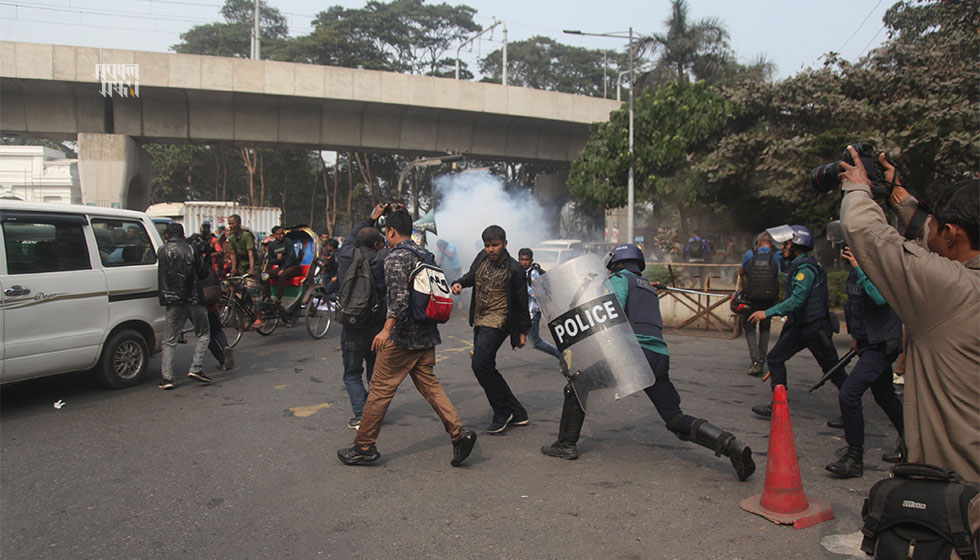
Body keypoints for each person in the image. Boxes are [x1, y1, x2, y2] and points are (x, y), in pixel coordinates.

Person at [540, 244, 755, 481]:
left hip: (632, 354)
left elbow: (613, 312)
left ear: (617, 263)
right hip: (658, 356)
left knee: (576, 387)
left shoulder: (621, 279)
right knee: (675, 419)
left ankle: (565, 444)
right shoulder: (648, 288)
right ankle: (731, 446)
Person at [838, 146, 979, 482]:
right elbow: (932, 237)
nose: (925, 233)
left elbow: (867, 233)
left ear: (950, 234)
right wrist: (897, 192)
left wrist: (858, 187)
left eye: (935, 227)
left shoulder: (952, 289)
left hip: (960, 493)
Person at [337, 208, 476, 467]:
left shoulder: (395, 258)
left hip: (402, 338)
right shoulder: (425, 254)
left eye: (387, 233)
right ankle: (459, 434)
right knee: (431, 387)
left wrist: (386, 329)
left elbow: (399, 301)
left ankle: (364, 446)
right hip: (426, 334)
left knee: (379, 390)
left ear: (390, 231)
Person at [747, 225, 843, 419]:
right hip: (801, 327)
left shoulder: (806, 269)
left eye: (787, 244)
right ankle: (778, 403)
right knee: (775, 359)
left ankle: (851, 409)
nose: (783, 248)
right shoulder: (798, 266)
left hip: (815, 328)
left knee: (833, 370)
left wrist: (768, 313)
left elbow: (797, 300)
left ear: (798, 245)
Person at [825, 245, 904, 478]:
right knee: (885, 396)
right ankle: (912, 446)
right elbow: (855, 306)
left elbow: (880, 299)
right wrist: (857, 337)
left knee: (849, 394)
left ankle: (854, 458)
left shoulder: (881, 269)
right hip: (869, 341)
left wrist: (861, 269)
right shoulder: (855, 271)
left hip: (882, 344)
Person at [450, 225, 531, 434]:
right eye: (487, 245)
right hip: (480, 317)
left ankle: (502, 411)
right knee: (485, 366)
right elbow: (471, 276)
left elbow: (522, 302)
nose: (491, 249)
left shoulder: (515, 269)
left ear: (505, 244)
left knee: (480, 364)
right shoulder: (481, 258)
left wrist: (523, 331)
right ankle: (517, 412)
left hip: (500, 319)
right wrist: (459, 283)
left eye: (495, 245)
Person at [334, 204, 389, 430]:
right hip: (376, 326)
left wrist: (371, 218)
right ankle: (374, 412)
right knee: (376, 374)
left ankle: (361, 414)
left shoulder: (345, 254)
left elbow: (352, 236)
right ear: (377, 244)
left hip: (351, 325)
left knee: (352, 374)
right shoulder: (383, 259)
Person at [157, 223, 212, 389]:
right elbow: (203, 272)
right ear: (183, 234)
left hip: (172, 300)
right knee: (203, 334)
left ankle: (167, 378)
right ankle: (196, 368)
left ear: (167, 235)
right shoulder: (190, 249)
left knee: (169, 340)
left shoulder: (161, 250)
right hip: (193, 298)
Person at [188, 233, 235, 373]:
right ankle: (225, 346)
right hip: (212, 301)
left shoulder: (189, 260)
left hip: (198, 303)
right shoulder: (208, 260)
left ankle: (222, 360)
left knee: (205, 335)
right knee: (217, 329)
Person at [739, 232, 783, 376]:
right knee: (765, 328)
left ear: (758, 243)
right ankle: (762, 360)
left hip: (751, 298)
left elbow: (742, 271)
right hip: (769, 299)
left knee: (750, 328)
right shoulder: (776, 256)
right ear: (771, 243)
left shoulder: (750, 254)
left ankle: (755, 361)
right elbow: (777, 275)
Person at [517, 248, 561, 360]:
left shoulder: (533, 274)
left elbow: (540, 294)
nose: (524, 262)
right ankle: (485, 352)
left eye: (527, 260)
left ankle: (561, 355)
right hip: (522, 313)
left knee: (536, 342)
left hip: (532, 313)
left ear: (531, 260)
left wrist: (525, 289)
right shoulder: (520, 272)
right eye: (522, 259)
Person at [263, 225, 300, 303]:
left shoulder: (288, 241)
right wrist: (277, 259)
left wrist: (283, 269)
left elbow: (292, 256)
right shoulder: (272, 245)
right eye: (279, 234)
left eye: (282, 233)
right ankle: (267, 296)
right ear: (274, 235)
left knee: (281, 275)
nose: (282, 235)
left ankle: (278, 298)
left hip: (293, 267)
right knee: (264, 275)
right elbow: (270, 260)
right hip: (281, 267)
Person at [435, 239, 463, 308]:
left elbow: (451, 255)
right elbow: (440, 259)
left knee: (456, 284)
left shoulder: (451, 246)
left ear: (443, 245)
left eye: (440, 247)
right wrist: (436, 266)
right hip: (449, 270)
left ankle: (460, 302)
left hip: (456, 269)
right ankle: (449, 301)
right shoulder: (443, 249)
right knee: (447, 284)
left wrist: (442, 250)